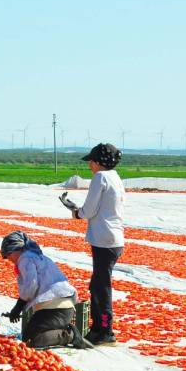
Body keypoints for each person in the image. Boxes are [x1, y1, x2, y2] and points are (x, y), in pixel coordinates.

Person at [71, 143, 125, 345]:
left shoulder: (100, 178)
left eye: (91, 162)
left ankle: (104, 331)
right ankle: (99, 327)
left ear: (99, 162)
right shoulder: (115, 177)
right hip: (115, 238)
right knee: (98, 284)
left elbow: (89, 210)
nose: (89, 166)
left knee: (101, 287)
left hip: (104, 238)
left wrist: (76, 212)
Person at [0, 231, 93, 350]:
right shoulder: (35, 256)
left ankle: (70, 335)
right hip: (59, 307)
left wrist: (18, 307)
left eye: (7, 255)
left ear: (15, 250)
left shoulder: (25, 259)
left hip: (56, 308)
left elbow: (31, 286)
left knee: (32, 340)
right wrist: (18, 309)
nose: (8, 259)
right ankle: (64, 331)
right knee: (28, 336)